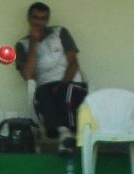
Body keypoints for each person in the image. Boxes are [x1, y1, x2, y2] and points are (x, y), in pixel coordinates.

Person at [16, 2, 88, 153]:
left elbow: (73, 63)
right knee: (41, 94)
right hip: (46, 88)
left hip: (71, 83)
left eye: (43, 19)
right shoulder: (22, 44)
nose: (39, 22)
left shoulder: (60, 32)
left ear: (47, 20)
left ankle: (63, 133)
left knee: (65, 93)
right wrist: (34, 42)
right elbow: (27, 75)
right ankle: (65, 135)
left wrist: (62, 85)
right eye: (35, 18)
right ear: (29, 19)